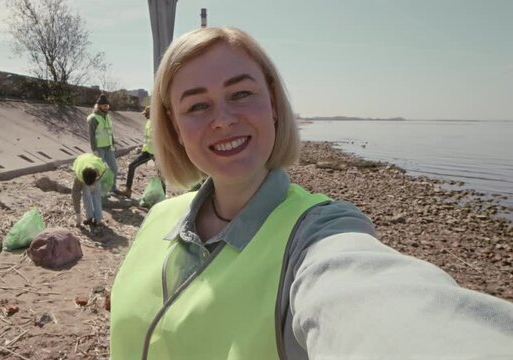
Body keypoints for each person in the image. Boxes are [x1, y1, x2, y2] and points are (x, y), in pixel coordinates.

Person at [109, 27, 513, 359]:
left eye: (241, 94)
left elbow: (376, 304)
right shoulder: (160, 217)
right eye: (197, 106)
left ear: (274, 106)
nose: (223, 119)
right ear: (175, 128)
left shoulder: (317, 235)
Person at [121, 106, 166, 197]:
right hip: (147, 152)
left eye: (146, 114)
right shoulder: (149, 122)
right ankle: (128, 190)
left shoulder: (158, 123)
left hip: (155, 153)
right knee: (131, 166)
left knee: (161, 174)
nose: (145, 116)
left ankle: (163, 196)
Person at [88, 94, 120, 194]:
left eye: (107, 105)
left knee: (114, 168)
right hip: (99, 148)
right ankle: (96, 191)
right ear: (99, 106)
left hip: (108, 147)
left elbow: (110, 132)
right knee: (98, 170)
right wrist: (94, 150)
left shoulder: (108, 117)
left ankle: (113, 189)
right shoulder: (93, 118)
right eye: (104, 105)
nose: (106, 107)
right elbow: (92, 135)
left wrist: (113, 143)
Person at [71, 153, 108, 228]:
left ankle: (98, 218)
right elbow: (75, 195)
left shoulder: (100, 168)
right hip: (81, 162)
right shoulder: (79, 176)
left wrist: (97, 181)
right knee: (86, 194)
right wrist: (78, 216)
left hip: (93, 165)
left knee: (96, 193)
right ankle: (90, 218)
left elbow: (104, 170)